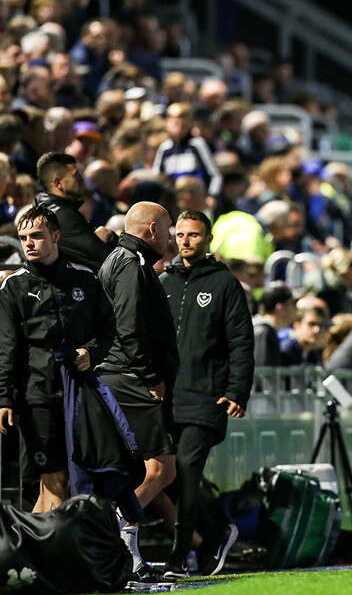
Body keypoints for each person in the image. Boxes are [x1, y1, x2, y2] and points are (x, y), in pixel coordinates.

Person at [0, 205, 115, 512]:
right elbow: (7, 347)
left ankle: (34, 552)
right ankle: (44, 555)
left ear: (56, 236)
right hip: (37, 395)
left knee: (76, 479)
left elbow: (108, 330)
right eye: (24, 237)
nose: (29, 243)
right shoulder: (14, 285)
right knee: (54, 479)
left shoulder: (85, 278)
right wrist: (5, 398)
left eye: (37, 236)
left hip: (81, 392)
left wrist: (90, 352)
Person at [160, 210, 254, 578]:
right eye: (180, 234)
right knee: (163, 475)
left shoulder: (224, 284)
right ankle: (216, 533)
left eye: (194, 235)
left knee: (185, 469)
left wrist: (237, 391)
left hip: (206, 397)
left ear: (208, 240)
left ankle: (180, 557)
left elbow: (241, 343)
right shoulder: (163, 281)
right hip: (166, 398)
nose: (186, 241)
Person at [96, 201, 181, 584]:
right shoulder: (131, 263)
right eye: (167, 230)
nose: (170, 238)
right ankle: (113, 533)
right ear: (150, 231)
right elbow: (129, 326)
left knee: (140, 470)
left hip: (120, 374)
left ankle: (130, 559)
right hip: (130, 376)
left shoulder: (121, 258)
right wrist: (150, 376)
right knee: (161, 469)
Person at [34, 151, 117, 270]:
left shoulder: (43, 206)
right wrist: (111, 237)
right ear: (58, 183)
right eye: (75, 175)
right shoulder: (61, 215)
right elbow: (105, 258)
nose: (82, 180)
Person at [152, 103, 222, 197]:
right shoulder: (165, 148)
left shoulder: (196, 144)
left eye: (183, 125)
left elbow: (214, 174)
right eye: (175, 124)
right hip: (173, 199)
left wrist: (211, 195)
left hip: (196, 197)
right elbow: (157, 176)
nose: (179, 129)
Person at [252, 281, 297, 366]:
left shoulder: (266, 330)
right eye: (292, 304)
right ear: (280, 308)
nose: (296, 308)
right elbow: (262, 373)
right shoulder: (263, 332)